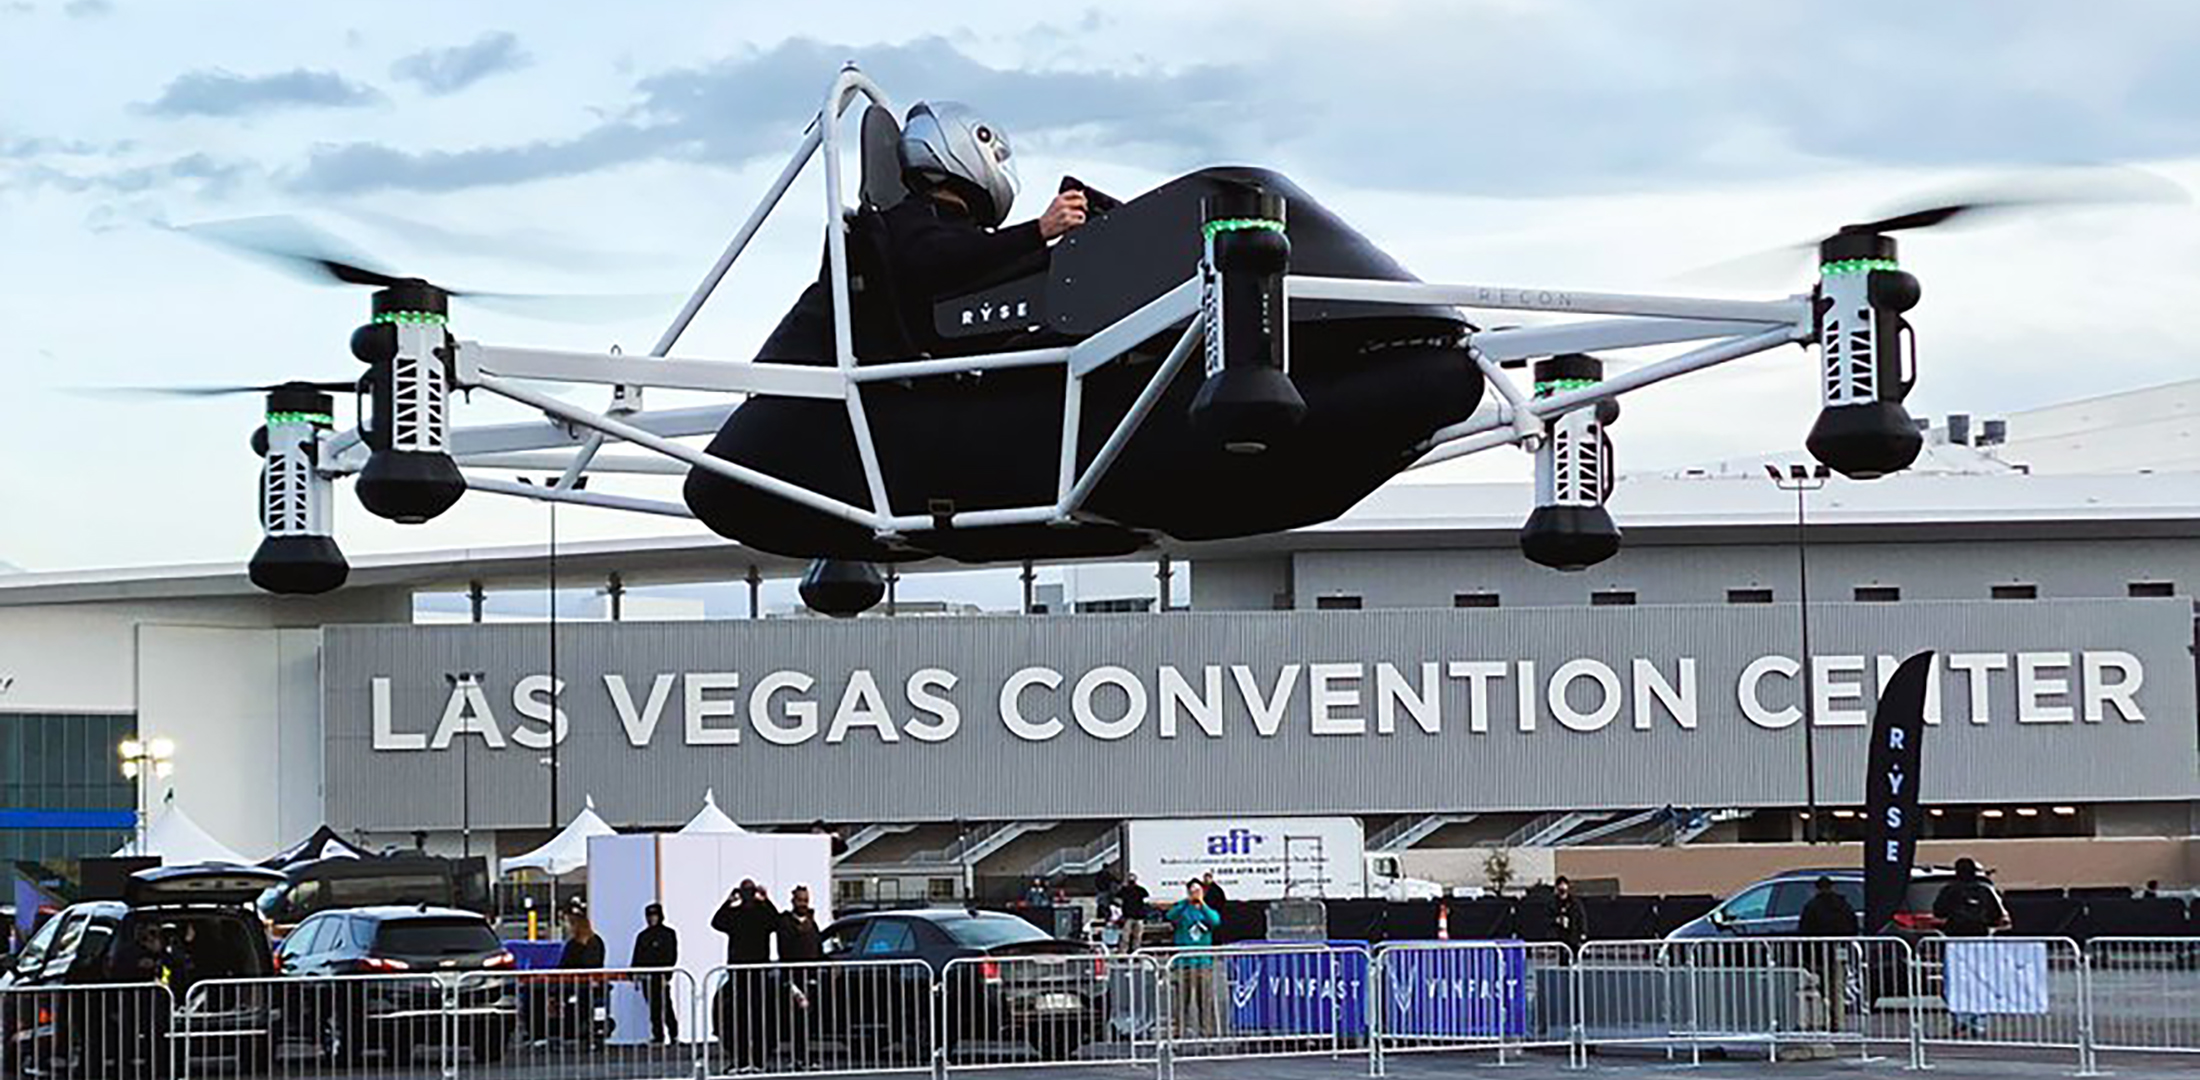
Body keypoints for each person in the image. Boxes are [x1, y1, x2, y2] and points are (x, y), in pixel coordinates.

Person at [1932, 858, 2010, 1038]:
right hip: (1980, 939)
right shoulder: (1984, 890)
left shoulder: (1949, 890)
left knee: (1955, 982)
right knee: (1980, 980)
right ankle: (1979, 1021)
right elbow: (1996, 915)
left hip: (1955, 940)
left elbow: (1939, 912)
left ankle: (1960, 1019)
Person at [712, 880, 780, 1070]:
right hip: (743, 971)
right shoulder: (744, 913)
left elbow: (777, 922)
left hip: (752, 970)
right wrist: (765, 901)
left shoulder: (750, 912)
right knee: (743, 1019)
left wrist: (729, 902)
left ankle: (754, 1061)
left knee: (754, 1019)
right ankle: (746, 1061)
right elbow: (717, 923)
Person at [1797, 877, 1859, 1033]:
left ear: (1816, 888)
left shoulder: (1811, 906)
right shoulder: (1844, 905)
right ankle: (1838, 1022)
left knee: (1820, 990)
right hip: (1840, 951)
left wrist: (1806, 954)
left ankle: (1822, 1020)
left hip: (1818, 953)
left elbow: (1804, 931)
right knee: (1837, 988)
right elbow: (1853, 927)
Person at [1165, 880, 1223, 1040]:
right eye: (1192, 891)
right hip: (1183, 962)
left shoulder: (1207, 910)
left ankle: (1207, 1034)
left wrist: (1202, 904)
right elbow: (1170, 916)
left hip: (1203, 963)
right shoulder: (1182, 909)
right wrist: (1187, 901)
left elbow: (1215, 921)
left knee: (1204, 1000)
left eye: (1198, 891)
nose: (1195, 894)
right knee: (1181, 1002)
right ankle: (1179, 1034)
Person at [775, 886, 825, 1067]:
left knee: (809, 1020)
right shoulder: (785, 922)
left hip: (811, 977)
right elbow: (784, 949)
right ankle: (797, 1057)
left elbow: (818, 949)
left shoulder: (813, 924)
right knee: (796, 1020)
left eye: (805, 900)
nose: (803, 904)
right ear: (793, 901)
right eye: (800, 900)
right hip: (793, 978)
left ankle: (808, 1057)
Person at [553, 905, 606, 1047]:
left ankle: (579, 1035)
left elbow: (589, 964)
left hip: (581, 985)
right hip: (577, 984)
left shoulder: (585, 943)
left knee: (580, 1009)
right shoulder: (580, 943)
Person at [631, 903, 680, 1045]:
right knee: (653, 1007)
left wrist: (667, 975)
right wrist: (634, 973)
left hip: (661, 975)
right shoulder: (643, 936)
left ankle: (674, 1034)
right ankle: (658, 1035)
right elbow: (637, 955)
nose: (652, 919)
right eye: (649, 916)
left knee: (666, 1006)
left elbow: (671, 955)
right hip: (647, 976)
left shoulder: (668, 934)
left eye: (654, 915)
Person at [1548, 877, 1588, 954]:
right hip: (1560, 937)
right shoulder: (1552, 903)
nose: (1562, 887)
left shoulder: (1575, 903)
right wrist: (1557, 920)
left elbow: (1581, 917)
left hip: (1574, 935)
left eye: (1564, 884)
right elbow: (1548, 918)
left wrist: (1583, 932)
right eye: (1560, 885)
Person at [1116, 873, 1151, 950]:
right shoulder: (1140, 890)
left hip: (1131, 917)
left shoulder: (1124, 890)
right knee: (1134, 937)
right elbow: (1147, 902)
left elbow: (1118, 902)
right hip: (1134, 917)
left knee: (1128, 937)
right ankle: (1133, 953)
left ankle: (1127, 953)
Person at [1199, 872, 1230, 944]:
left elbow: (1221, 901)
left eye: (1208, 878)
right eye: (1205, 878)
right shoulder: (1201, 888)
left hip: (1214, 913)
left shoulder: (1216, 890)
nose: (1206, 880)